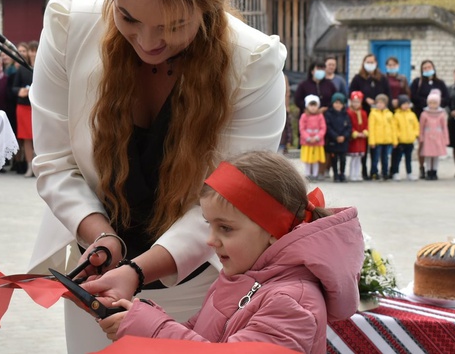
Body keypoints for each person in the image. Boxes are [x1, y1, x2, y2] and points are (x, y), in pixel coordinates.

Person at [28, 0, 287, 352]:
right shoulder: (69, 25)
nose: (149, 43)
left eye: (173, 25)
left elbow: (232, 200)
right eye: (129, 18)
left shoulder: (254, 63)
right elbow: (54, 161)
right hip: (97, 279)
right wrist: (102, 238)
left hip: (199, 284)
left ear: (207, 5)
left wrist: (140, 270)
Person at [97, 151, 364, 353]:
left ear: (273, 230)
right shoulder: (244, 273)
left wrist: (151, 328)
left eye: (225, 228)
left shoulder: (293, 302)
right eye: (209, 225)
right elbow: (199, 332)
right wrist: (138, 317)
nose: (211, 241)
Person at [349, 53, 390, 179]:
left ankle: (375, 171)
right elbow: (351, 93)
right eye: (368, 62)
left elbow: (388, 94)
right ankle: (363, 171)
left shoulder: (382, 78)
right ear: (363, 63)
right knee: (362, 147)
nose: (370, 64)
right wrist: (365, 100)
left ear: (376, 63)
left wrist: (380, 104)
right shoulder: (357, 78)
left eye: (372, 62)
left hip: (378, 117)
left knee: (376, 148)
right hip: (362, 115)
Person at [294, 61, 335, 178]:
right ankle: (309, 172)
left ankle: (322, 171)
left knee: (324, 148)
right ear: (312, 71)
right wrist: (310, 109)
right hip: (307, 120)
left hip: (325, 118)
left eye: (323, 69)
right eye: (318, 69)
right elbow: (298, 100)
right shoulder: (304, 85)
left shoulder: (329, 85)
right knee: (309, 151)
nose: (320, 71)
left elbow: (333, 99)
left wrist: (324, 108)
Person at [410, 60, 449, 179]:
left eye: (429, 67)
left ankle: (434, 170)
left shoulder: (440, 83)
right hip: (422, 116)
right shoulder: (418, 82)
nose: (427, 69)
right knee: (423, 144)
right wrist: (426, 104)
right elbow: (413, 96)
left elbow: (447, 97)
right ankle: (423, 168)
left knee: (435, 145)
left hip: (437, 116)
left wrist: (436, 105)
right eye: (425, 68)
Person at [11, 41, 36, 177]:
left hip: (38, 108)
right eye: (31, 51)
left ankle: (40, 167)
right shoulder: (22, 69)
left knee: (39, 138)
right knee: (26, 138)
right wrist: (20, 90)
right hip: (24, 106)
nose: (33, 54)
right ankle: (29, 166)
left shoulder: (45, 67)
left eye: (35, 51)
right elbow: (13, 88)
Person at [419, 92, 449, 180]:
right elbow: (421, 126)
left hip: (438, 137)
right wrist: (421, 136)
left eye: (435, 103)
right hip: (427, 137)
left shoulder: (441, 114)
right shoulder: (424, 114)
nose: (432, 105)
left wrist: (446, 138)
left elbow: (444, 127)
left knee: (436, 155)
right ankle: (428, 171)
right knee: (428, 155)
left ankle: (434, 172)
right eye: (431, 102)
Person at [324, 93, 351, 183]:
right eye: (336, 103)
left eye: (340, 103)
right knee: (334, 159)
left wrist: (344, 136)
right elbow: (328, 127)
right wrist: (335, 136)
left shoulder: (345, 114)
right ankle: (335, 174)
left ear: (343, 104)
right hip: (333, 140)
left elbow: (349, 127)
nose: (338, 105)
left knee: (343, 159)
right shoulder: (329, 114)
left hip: (343, 141)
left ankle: (342, 173)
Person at [390, 95, 419, 181]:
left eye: (407, 104)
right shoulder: (396, 115)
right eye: (404, 104)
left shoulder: (412, 114)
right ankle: (396, 172)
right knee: (397, 158)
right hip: (400, 141)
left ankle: (409, 173)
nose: (406, 106)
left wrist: (415, 134)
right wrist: (396, 139)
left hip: (410, 140)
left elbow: (416, 126)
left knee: (408, 158)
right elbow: (394, 129)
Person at [367, 94, 394, 181]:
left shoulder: (389, 114)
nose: (380, 105)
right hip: (377, 141)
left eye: (382, 103)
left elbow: (393, 128)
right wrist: (372, 141)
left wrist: (394, 140)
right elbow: (371, 128)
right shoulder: (373, 113)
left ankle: (385, 173)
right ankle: (374, 172)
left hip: (386, 140)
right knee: (375, 158)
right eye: (378, 103)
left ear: (385, 104)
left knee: (385, 158)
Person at [299, 95, 326, 181]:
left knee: (315, 159)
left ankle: (315, 174)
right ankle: (307, 174)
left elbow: (323, 128)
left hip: (317, 142)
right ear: (307, 106)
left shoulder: (320, 116)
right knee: (308, 159)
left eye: (315, 105)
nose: (313, 108)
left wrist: (317, 137)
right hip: (307, 142)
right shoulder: (304, 116)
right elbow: (302, 128)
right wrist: (307, 138)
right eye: (311, 105)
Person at [346, 91, 368, 182]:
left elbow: (366, 124)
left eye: (358, 102)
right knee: (354, 158)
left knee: (359, 158)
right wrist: (354, 133)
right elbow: (349, 125)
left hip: (361, 139)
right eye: (354, 101)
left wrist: (365, 132)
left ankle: (357, 173)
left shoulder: (363, 113)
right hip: (354, 139)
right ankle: (352, 174)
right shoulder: (349, 112)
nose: (356, 104)